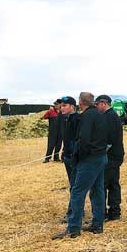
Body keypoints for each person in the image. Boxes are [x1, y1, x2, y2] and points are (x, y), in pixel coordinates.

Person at [53, 92, 108, 239]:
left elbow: (83, 139)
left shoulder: (86, 116)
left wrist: (77, 157)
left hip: (89, 159)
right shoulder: (99, 114)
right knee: (97, 190)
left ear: (79, 102)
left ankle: (73, 228)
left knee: (77, 192)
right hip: (101, 156)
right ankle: (97, 225)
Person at [95, 94, 124, 221]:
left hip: (111, 155)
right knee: (113, 183)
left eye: (97, 104)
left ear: (103, 103)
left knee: (106, 184)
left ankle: (107, 212)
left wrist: (102, 151)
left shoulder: (109, 117)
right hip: (116, 154)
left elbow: (110, 138)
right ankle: (114, 211)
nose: (96, 107)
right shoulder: (112, 115)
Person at [58, 95, 80, 223]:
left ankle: (73, 213)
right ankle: (76, 211)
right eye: (61, 106)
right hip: (67, 156)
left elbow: (76, 140)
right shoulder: (66, 119)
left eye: (65, 106)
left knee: (75, 187)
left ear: (72, 107)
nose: (62, 108)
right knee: (73, 185)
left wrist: (72, 155)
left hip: (73, 158)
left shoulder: (77, 119)